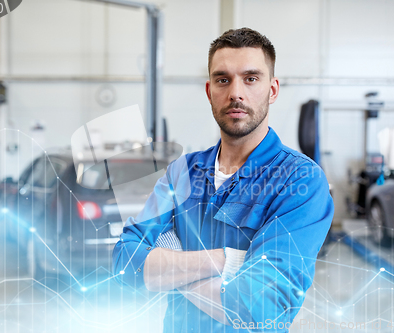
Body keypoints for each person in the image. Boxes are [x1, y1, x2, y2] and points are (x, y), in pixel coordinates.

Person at [112, 27, 334, 332]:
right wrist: (226, 260)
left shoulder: (301, 180)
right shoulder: (183, 172)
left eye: (251, 78)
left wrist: (169, 272)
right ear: (209, 91)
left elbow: (263, 311)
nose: (236, 93)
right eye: (223, 79)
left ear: (272, 90)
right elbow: (125, 264)